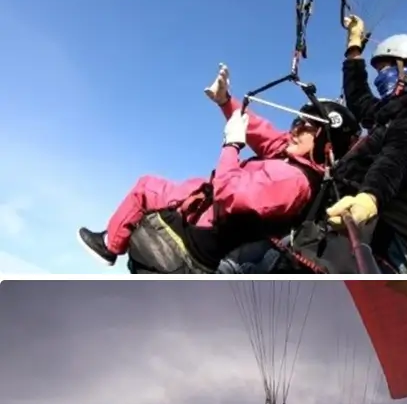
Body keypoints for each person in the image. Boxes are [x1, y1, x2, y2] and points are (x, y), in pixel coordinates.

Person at [77, 63, 360, 273]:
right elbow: (263, 132)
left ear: (324, 140)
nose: (294, 129)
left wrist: (231, 146)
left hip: (200, 241)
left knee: (146, 187)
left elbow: (230, 195)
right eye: (296, 122)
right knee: (161, 187)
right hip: (203, 213)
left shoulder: (293, 181)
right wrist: (227, 102)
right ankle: (110, 242)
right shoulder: (293, 157)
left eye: (305, 126)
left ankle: (109, 246)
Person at [324, 14, 407, 264]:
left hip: (363, 235)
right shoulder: (392, 114)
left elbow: (398, 158)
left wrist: (370, 198)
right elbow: (359, 100)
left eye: (386, 70)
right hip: (341, 221)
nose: (381, 77)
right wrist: (354, 49)